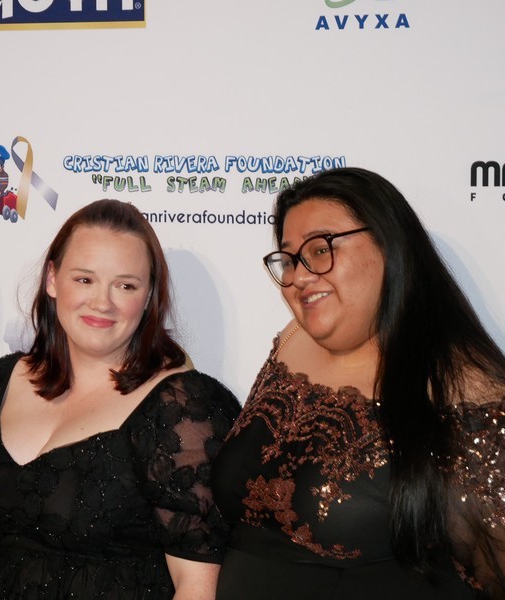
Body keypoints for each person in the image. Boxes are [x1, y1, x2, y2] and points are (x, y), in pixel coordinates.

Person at [212, 167, 505, 599]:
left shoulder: (468, 392)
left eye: (320, 249)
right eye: (289, 260)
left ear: (389, 245)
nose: (298, 277)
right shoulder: (291, 341)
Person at [0, 199, 240, 599]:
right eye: (84, 279)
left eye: (126, 286)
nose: (102, 302)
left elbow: (197, 586)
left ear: (149, 296)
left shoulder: (181, 407)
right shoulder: (6, 380)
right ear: (52, 279)